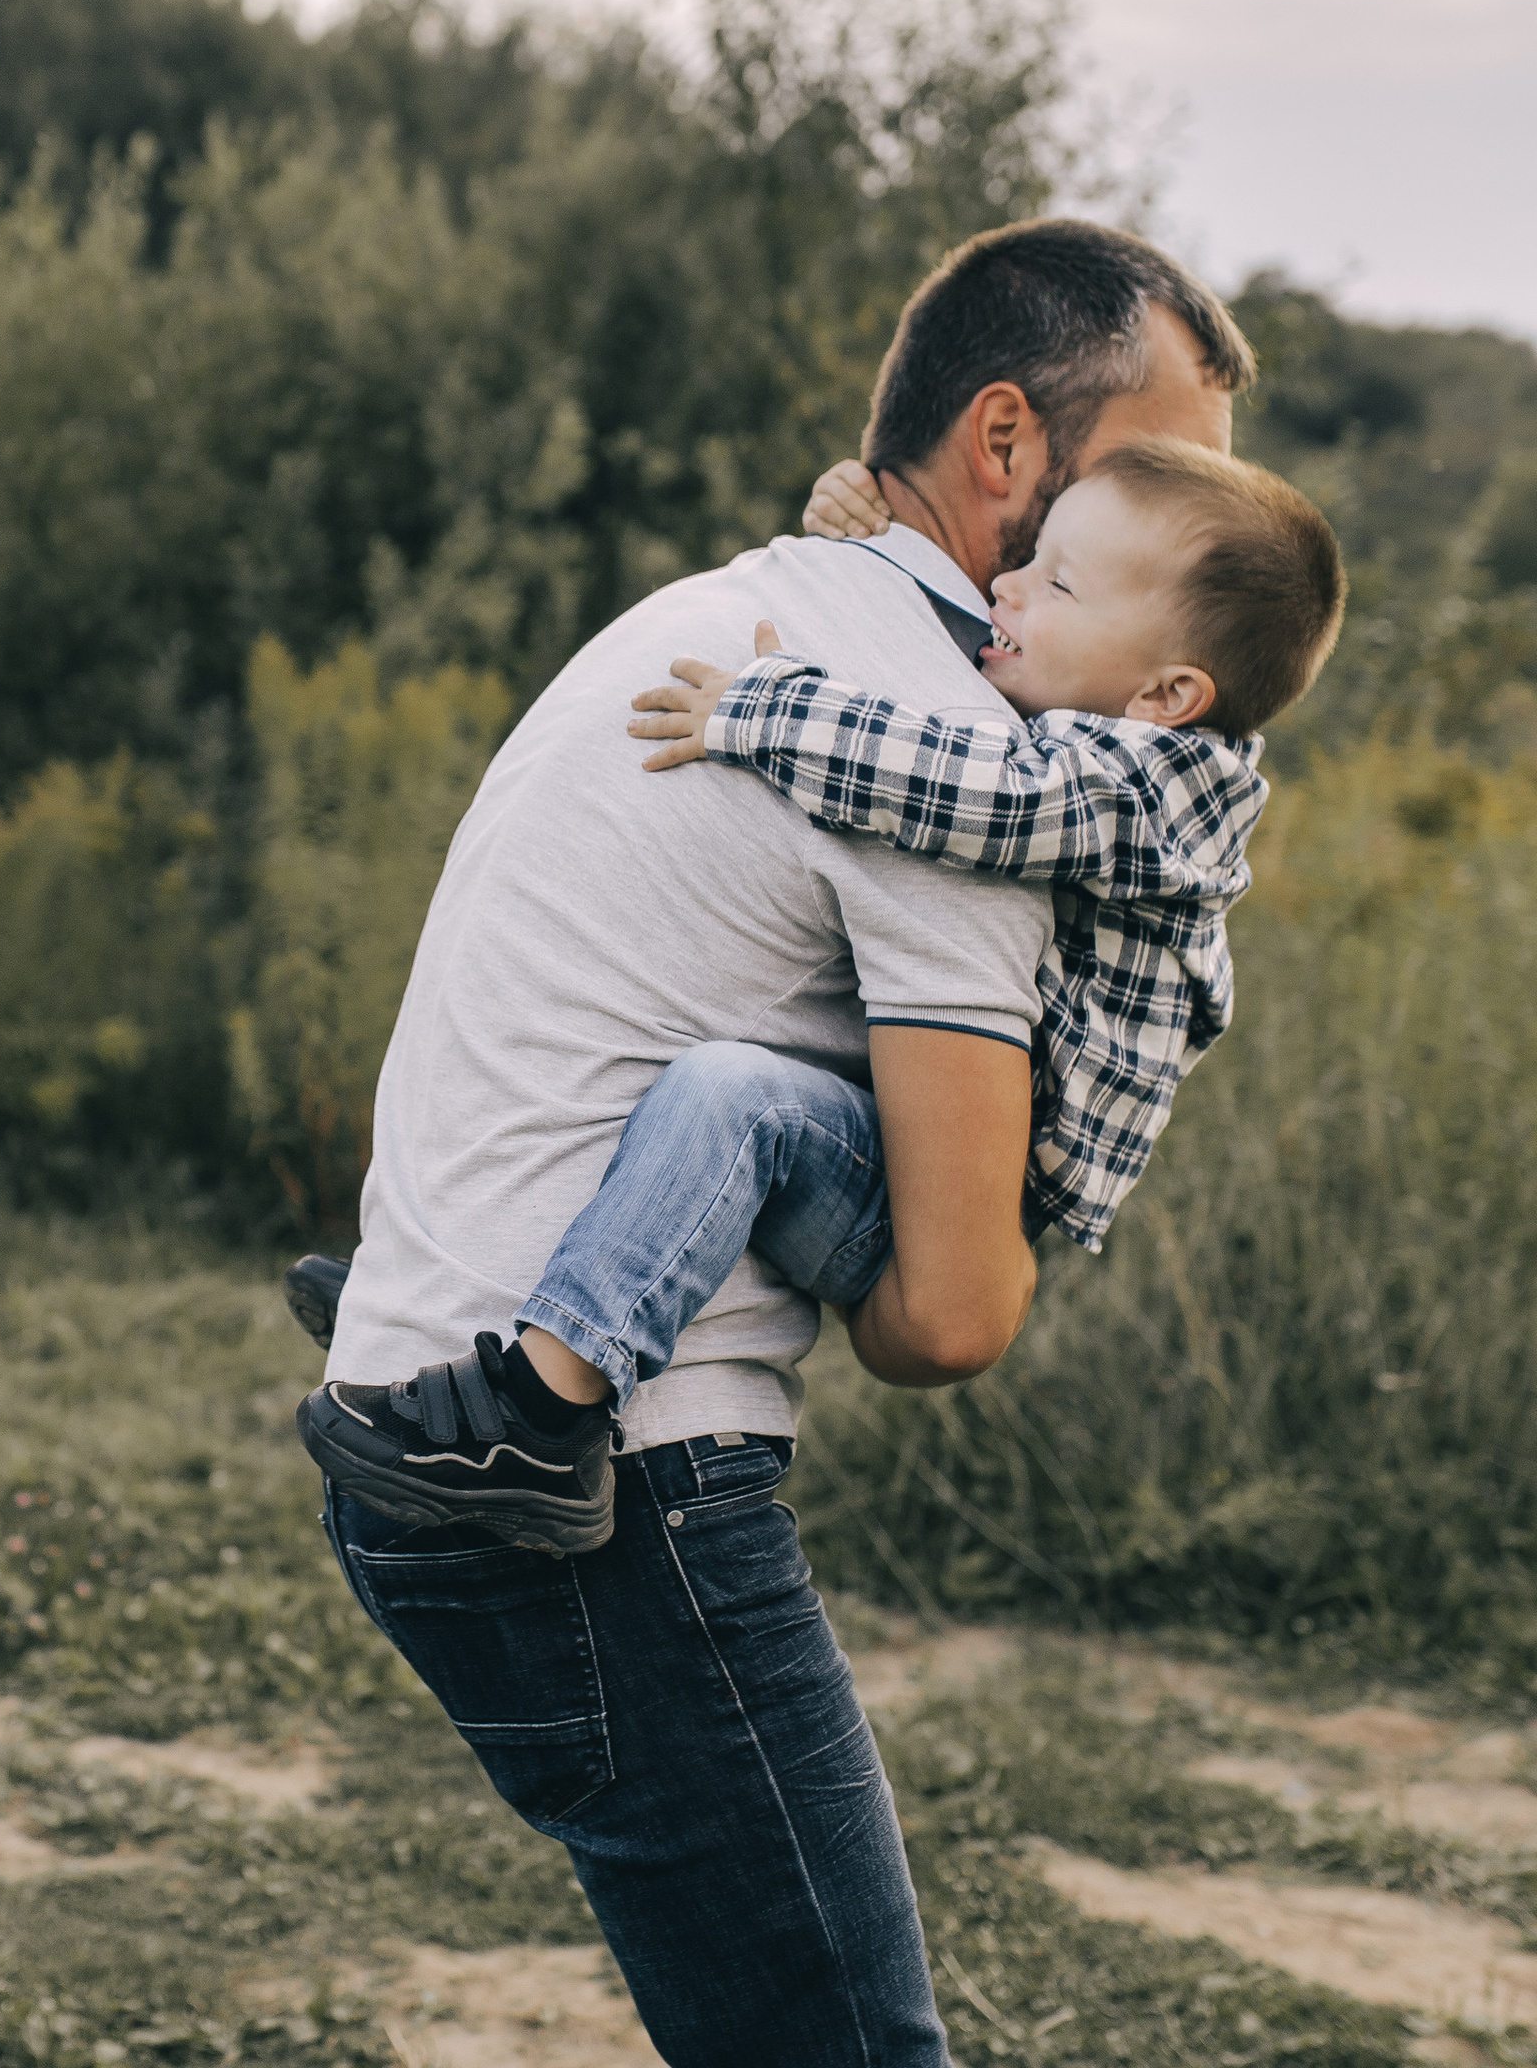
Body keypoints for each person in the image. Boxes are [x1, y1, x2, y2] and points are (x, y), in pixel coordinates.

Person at [302, 217, 1257, 2066]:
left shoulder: (724, 614)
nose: (1195, 526)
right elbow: (956, 1318)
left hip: (400, 1395)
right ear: (1009, 452)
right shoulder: (955, 747)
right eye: (1156, 475)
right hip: (604, 1500)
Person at [296, 436, 1346, 1552]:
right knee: (699, 1067)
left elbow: (974, 788)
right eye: (1027, 555)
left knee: (732, 1102)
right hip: (910, 1131)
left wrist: (771, 709)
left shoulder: (1150, 789)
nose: (1006, 584)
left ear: (1168, 693)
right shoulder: (1119, 718)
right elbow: (938, 628)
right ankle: (449, 1292)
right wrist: (862, 525)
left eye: (1057, 582)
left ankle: (536, 1421)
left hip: (956, 1192)